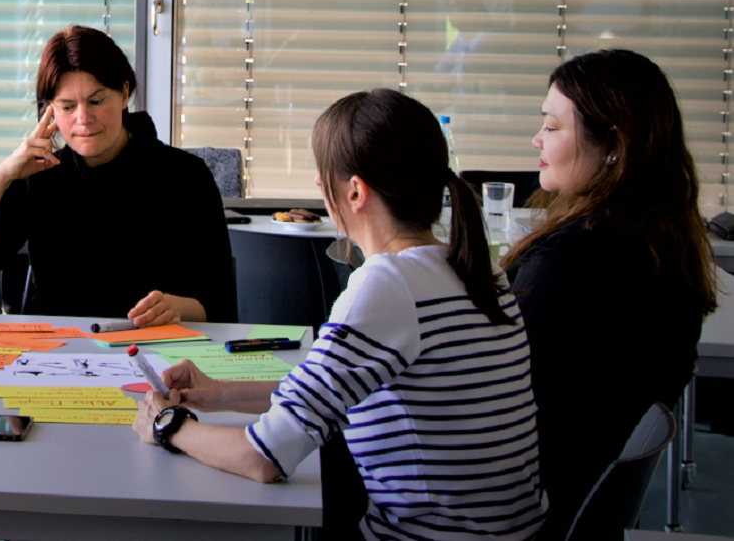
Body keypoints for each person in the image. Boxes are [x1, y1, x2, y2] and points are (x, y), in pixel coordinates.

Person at [134, 89, 545, 541]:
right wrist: (222, 393)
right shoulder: (475, 266)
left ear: (354, 191)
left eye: (321, 172)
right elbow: (330, 391)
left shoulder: (387, 284)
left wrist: (169, 426)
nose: (316, 183)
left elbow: (263, 458)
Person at [502, 49, 719, 538]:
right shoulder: (656, 250)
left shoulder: (578, 264)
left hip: (516, 510)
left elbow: (494, 390)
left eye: (553, 127)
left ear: (614, 145)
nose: (537, 138)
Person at [0, 25, 234, 323]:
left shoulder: (185, 177)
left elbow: (217, 304)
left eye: (96, 101)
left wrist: (176, 308)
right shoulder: (41, 175)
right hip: (54, 353)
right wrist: (2, 176)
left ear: (124, 93)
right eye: (67, 106)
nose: (83, 119)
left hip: (147, 349)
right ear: (50, 110)